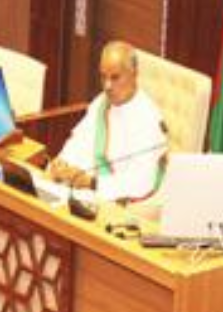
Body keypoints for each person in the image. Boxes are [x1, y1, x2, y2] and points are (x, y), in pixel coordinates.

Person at [49, 41, 168, 203]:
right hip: (87, 188)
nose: (107, 86)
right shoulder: (102, 103)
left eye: (115, 77)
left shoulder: (148, 119)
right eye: (103, 76)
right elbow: (79, 141)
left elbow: (141, 182)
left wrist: (92, 183)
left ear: (134, 75)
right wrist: (62, 163)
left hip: (120, 202)